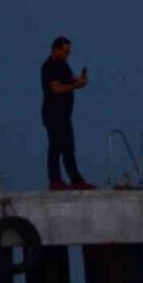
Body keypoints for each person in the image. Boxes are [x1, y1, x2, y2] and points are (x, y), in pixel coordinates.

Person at [40, 36, 94, 190]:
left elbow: (71, 81)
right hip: (52, 113)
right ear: (56, 49)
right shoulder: (49, 66)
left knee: (68, 147)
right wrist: (75, 85)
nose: (67, 55)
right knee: (55, 146)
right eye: (65, 51)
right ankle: (55, 180)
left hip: (64, 114)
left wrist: (80, 81)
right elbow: (56, 89)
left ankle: (76, 179)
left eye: (68, 52)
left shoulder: (63, 65)